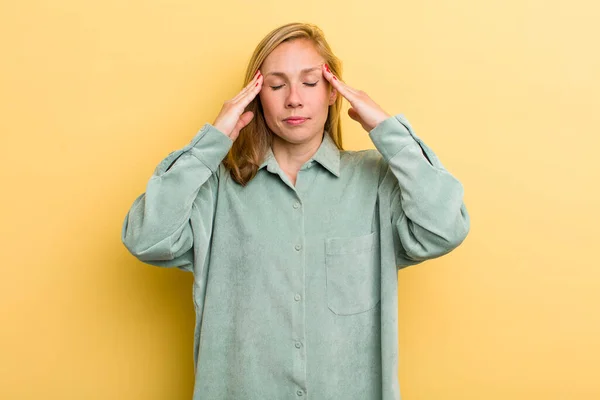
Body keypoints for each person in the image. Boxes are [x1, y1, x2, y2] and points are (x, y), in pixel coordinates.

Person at [121, 22, 470, 400]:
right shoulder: (218, 189)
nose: (293, 99)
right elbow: (146, 238)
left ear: (333, 92)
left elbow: (444, 228)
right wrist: (212, 142)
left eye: (309, 82)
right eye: (276, 85)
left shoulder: (376, 182)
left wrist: (388, 131)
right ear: (256, 95)